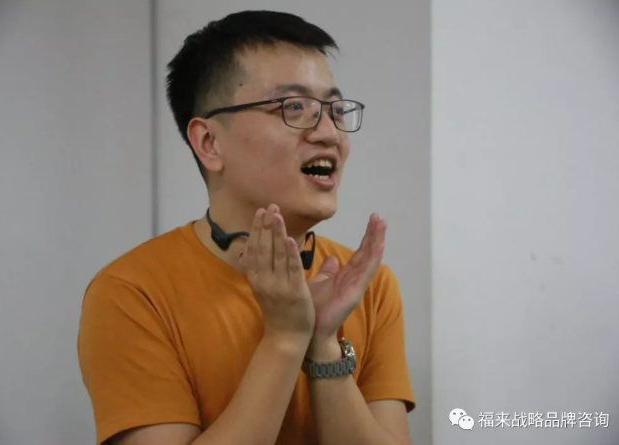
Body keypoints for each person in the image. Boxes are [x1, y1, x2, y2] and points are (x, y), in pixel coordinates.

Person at [77, 9, 415, 445]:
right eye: (294, 107)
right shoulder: (133, 292)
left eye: (334, 110)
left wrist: (324, 343)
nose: (330, 134)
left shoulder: (366, 285)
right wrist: (286, 337)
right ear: (209, 143)